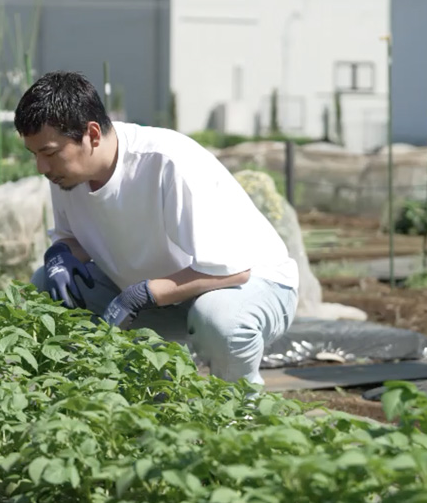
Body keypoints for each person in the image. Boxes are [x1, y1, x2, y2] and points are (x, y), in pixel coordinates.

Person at [16, 71, 299, 385]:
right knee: (47, 283)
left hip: (249, 284)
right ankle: (142, 400)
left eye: (50, 153)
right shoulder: (67, 174)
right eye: (35, 155)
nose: (42, 167)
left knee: (219, 320)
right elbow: (75, 239)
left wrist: (138, 295)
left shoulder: (166, 163)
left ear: (92, 135)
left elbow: (232, 270)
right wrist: (59, 254)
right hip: (163, 294)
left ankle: (240, 414)